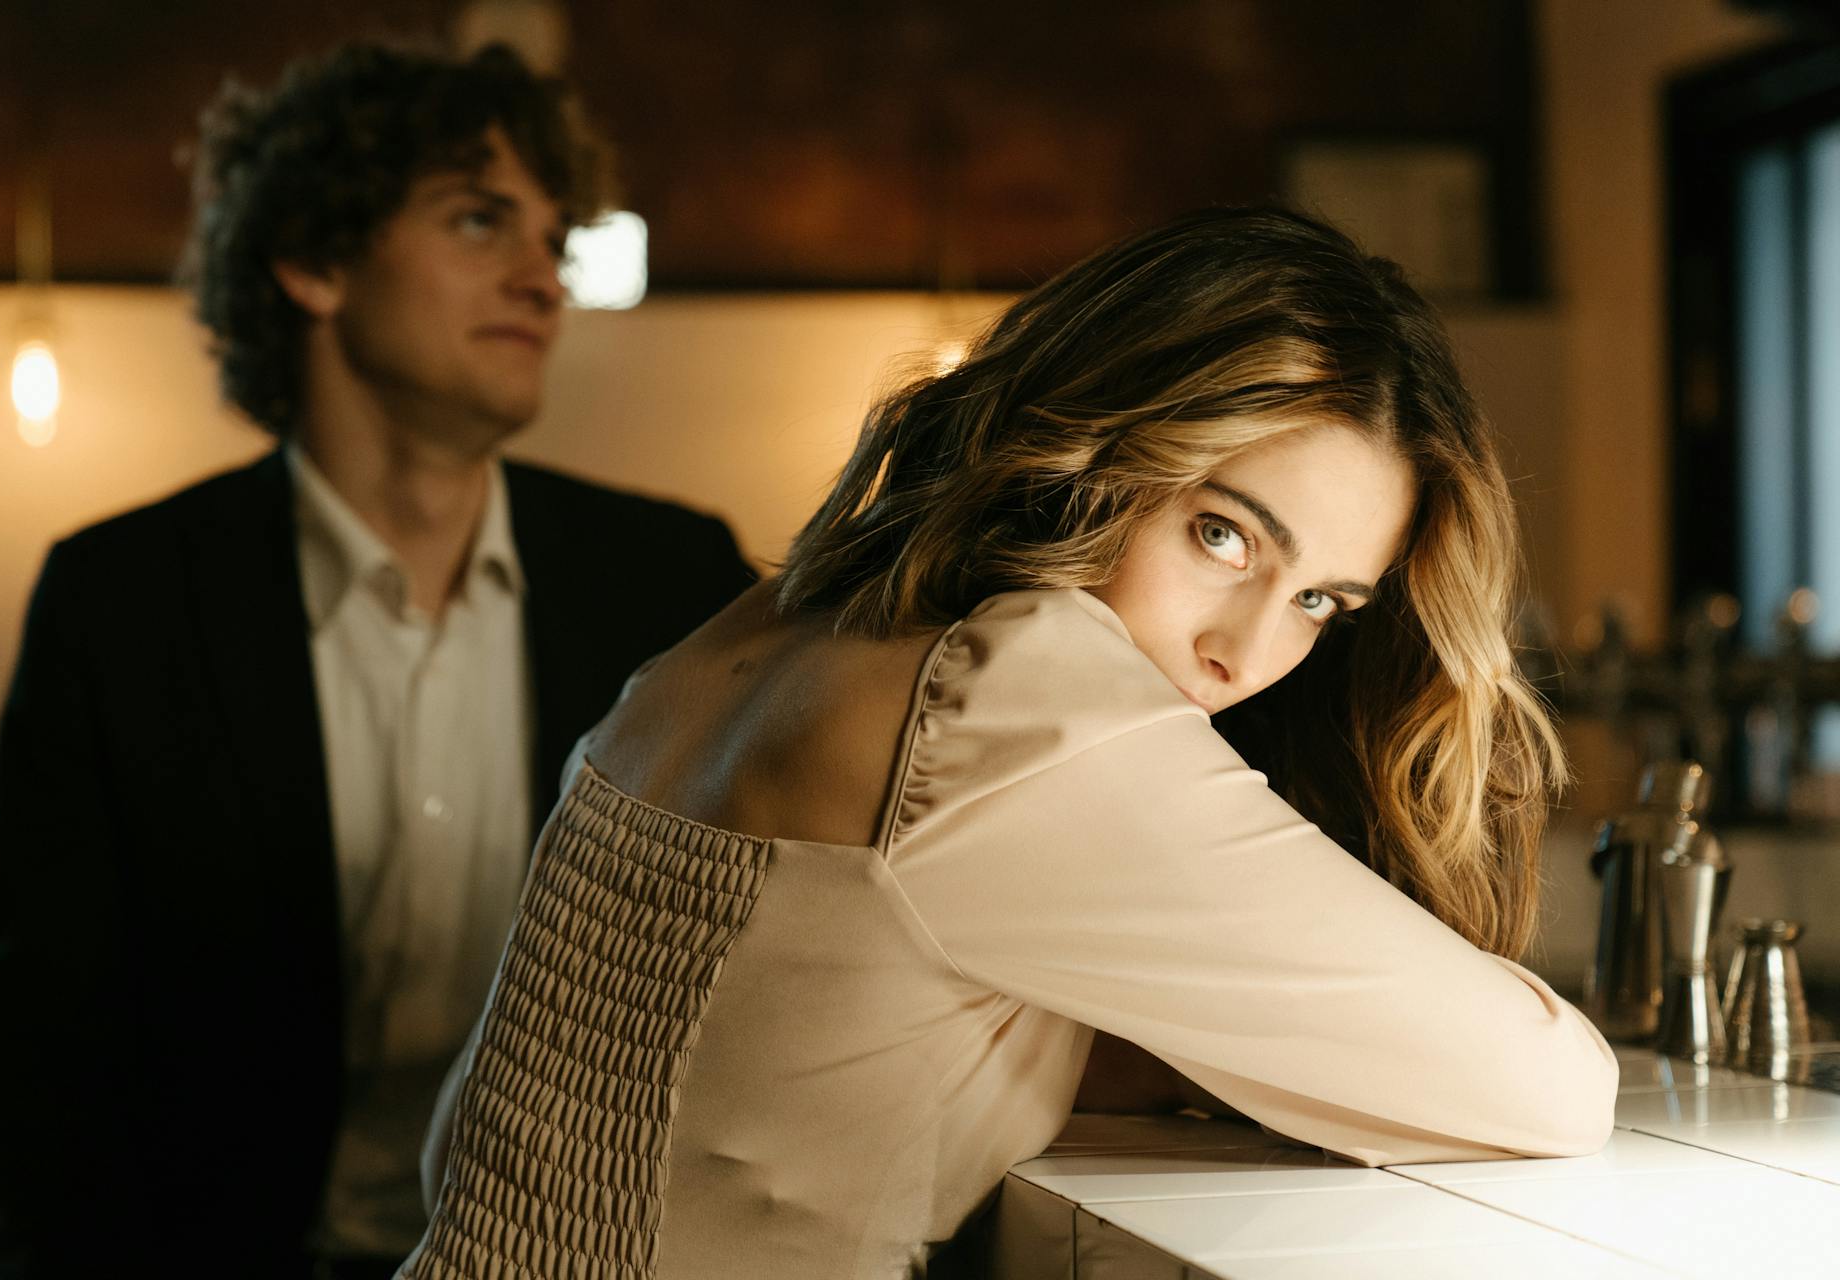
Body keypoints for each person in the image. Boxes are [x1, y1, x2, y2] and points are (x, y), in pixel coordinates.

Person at [399, 207, 1618, 1280]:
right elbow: (1550, 1086)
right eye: (1224, 536)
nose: (1244, 654)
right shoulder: (1016, 699)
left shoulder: (781, 614)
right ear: (1095, 449)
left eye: (1320, 603)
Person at [0, 40, 756, 1280]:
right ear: (315, 259)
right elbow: (34, 1055)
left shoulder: (669, 576)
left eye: (555, 238)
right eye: (482, 220)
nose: (544, 277)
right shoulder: (125, 598)